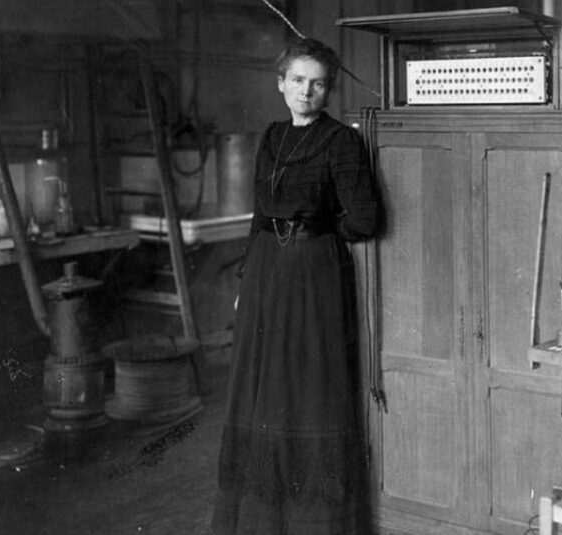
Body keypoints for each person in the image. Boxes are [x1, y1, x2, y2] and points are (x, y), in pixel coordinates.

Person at [211, 38, 380, 535]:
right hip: (266, 272)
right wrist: (247, 277)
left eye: (318, 83)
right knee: (259, 391)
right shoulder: (271, 137)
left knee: (307, 389)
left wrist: (317, 234)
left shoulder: (341, 141)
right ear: (281, 83)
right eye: (299, 80)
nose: (307, 91)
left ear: (328, 91)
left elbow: (366, 219)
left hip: (313, 274)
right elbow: (260, 216)